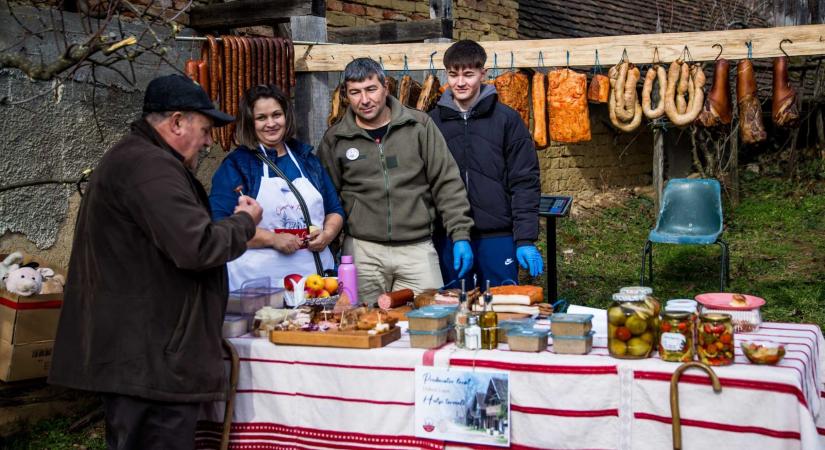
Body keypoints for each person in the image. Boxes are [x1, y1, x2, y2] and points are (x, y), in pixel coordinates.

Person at [48, 74, 263, 450]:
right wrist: (244, 223)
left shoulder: (140, 160)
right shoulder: (150, 167)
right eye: (206, 129)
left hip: (148, 354)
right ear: (177, 122)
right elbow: (197, 247)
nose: (210, 141)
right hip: (148, 358)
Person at [318, 58, 474, 304]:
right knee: (362, 324)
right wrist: (330, 246)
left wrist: (461, 234)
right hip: (362, 251)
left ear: (385, 88)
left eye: (371, 89)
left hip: (417, 249)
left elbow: (446, 182)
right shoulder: (336, 138)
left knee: (429, 319)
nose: (365, 100)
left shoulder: (419, 126)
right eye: (355, 92)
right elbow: (327, 198)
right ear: (347, 95)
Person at [430, 40, 543, 288]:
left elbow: (525, 182)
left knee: (501, 314)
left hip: (497, 236)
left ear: (483, 74)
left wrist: (524, 238)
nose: (460, 83)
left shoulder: (507, 120)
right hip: (448, 237)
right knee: (455, 314)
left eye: (468, 74)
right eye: (453, 74)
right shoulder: (432, 123)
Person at [209, 84, 344, 290]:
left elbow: (334, 210)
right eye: (261, 118)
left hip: (313, 280)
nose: (271, 123)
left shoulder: (307, 160)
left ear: (286, 117)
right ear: (250, 122)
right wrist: (272, 239)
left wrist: (327, 234)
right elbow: (220, 226)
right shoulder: (237, 165)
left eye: (276, 115)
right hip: (259, 282)